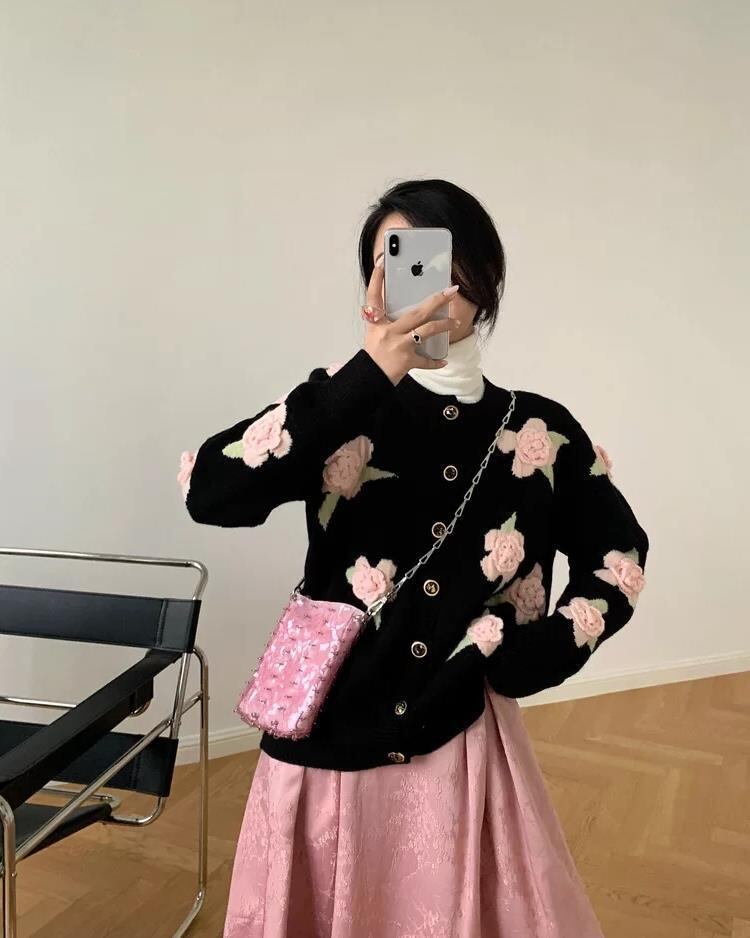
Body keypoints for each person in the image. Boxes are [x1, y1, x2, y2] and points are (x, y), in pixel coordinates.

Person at [178, 178, 649, 937]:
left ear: (481, 277)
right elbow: (211, 491)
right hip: (325, 738)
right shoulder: (337, 408)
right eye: (383, 265)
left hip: (460, 743)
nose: (399, 284)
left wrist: (549, 647)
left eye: (424, 259)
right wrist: (363, 378)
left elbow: (617, 551)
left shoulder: (541, 430)